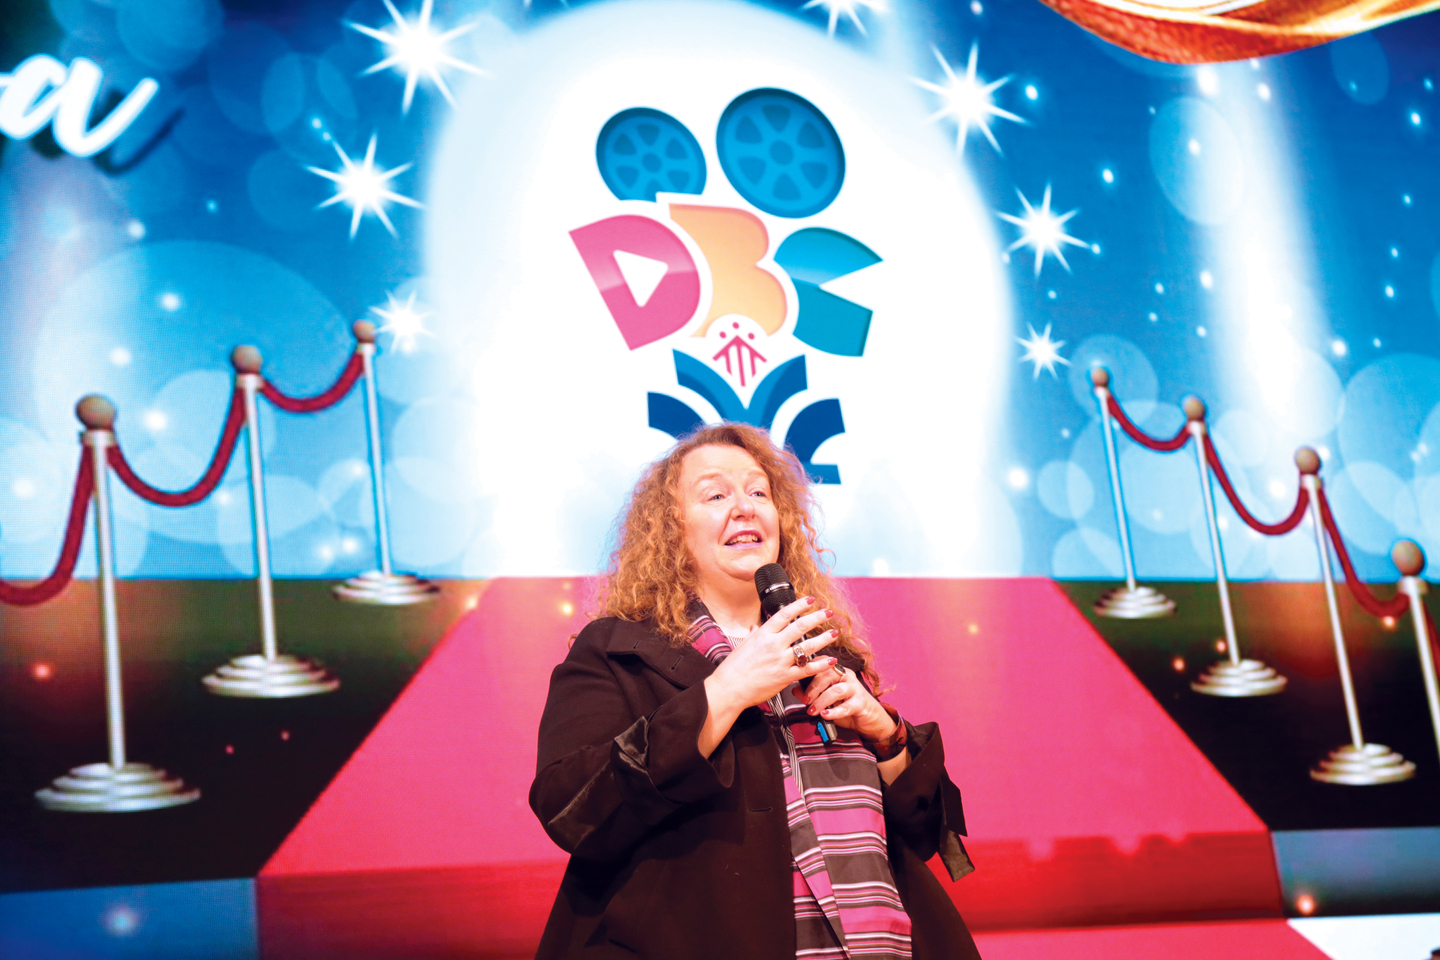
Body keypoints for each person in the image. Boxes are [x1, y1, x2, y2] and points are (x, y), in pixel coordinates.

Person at [529, 423, 980, 959]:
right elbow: (571, 809)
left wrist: (886, 736)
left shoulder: (826, 651)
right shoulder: (616, 650)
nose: (744, 508)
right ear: (671, 529)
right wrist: (724, 693)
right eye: (715, 495)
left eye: (758, 492)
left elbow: (923, 834)